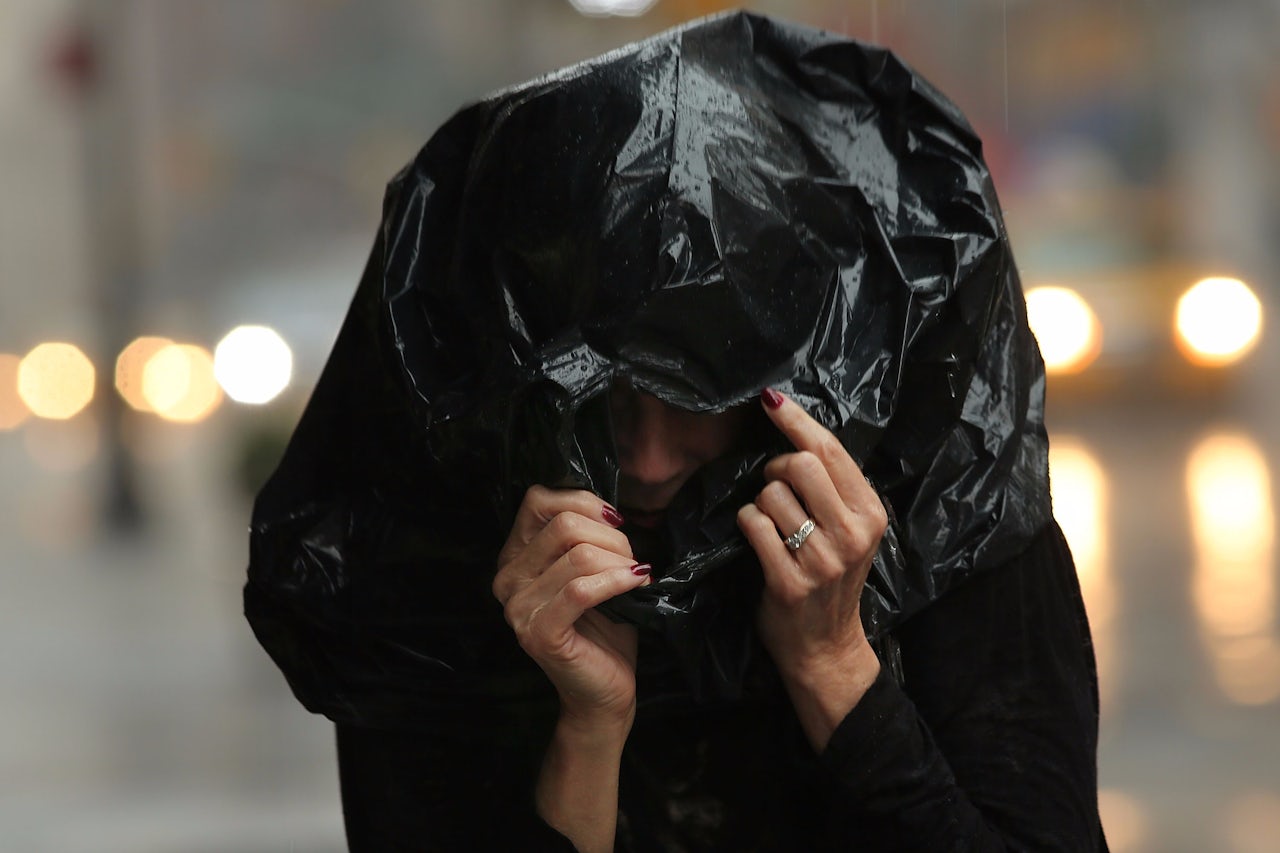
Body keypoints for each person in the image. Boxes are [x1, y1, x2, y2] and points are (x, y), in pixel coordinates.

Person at [246, 11, 1108, 851]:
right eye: (607, 407)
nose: (651, 463)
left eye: (701, 395)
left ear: (794, 373)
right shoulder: (428, 568)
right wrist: (587, 730)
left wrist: (834, 665)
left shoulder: (940, 528)